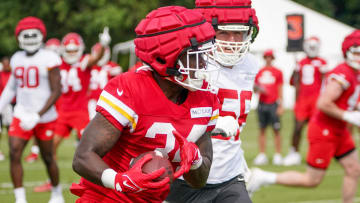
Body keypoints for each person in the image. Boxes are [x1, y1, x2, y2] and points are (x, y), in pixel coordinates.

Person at [71, 6, 221, 202]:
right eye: (195, 55)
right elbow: (82, 157)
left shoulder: (205, 98)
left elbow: (199, 181)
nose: (202, 64)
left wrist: (195, 160)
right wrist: (120, 180)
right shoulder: (131, 89)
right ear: (166, 57)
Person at [247, 30, 360, 203]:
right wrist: (349, 116)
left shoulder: (354, 73)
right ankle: (263, 177)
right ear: (348, 52)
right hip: (325, 130)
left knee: (353, 169)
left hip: (339, 130)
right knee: (312, 180)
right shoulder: (343, 72)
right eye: (357, 52)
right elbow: (324, 103)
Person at [166, 1, 259, 202]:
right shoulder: (191, 62)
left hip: (230, 177)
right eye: (224, 33)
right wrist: (213, 125)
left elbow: (237, 123)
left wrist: (239, 158)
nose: (232, 41)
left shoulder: (250, 64)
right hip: (186, 175)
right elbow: (167, 116)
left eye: (239, 33)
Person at [34, 29, 111, 193]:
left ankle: (95, 182)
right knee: (50, 148)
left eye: (74, 50)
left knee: (93, 149)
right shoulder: (57, 63)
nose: (72, 53)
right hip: (62, 113)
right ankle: (51, 181)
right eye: (69, 50)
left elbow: (96, 58)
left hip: (81, 112)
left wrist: (103, 45)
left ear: (80, 49)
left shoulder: (83, 62)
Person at [0, 16, 64, 203]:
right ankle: (20, 199)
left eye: (32, 34)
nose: (29, 38)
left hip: (45, 117)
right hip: (22, 113)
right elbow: (11, 87)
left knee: (47, 157)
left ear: (41, 35)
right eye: (24, 34)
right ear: (19, 36)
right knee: (14, 152)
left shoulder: (50, 57)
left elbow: (57, 90)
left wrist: (38, 115)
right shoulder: (17, 58)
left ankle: (56, 193)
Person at [283, 36, 328, 166]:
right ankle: (293, 153)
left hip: (316, 100)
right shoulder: (301, 63)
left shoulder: (322, 62)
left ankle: (317, 154)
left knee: (316, 129)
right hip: (302, 100)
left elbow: (326, 81)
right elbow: (292, 82)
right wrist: (295, 69)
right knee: (298, 128)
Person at [252, 49, 284, 166]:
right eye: (266, 57)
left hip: (273, 103)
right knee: (262, 129)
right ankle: (262, 154)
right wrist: (258, 88)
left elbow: (280, 88)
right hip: (262, 103)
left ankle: (278, 154)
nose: (268, 59)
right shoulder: (259, 72)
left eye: (270, 57)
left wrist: (281, 104)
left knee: (276, 130)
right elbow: (255, 89)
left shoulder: (278, 72)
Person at [88, 43, 122, 120]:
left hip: (107, 100)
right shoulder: (91, 66)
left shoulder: (111, 66)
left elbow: (119, 72)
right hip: (92, 100)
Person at [0, 56, 13, 161]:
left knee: (11, 129)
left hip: (11, 104)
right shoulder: (0, 75)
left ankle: (12, 150)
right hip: (1, 104)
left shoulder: (12, 75)